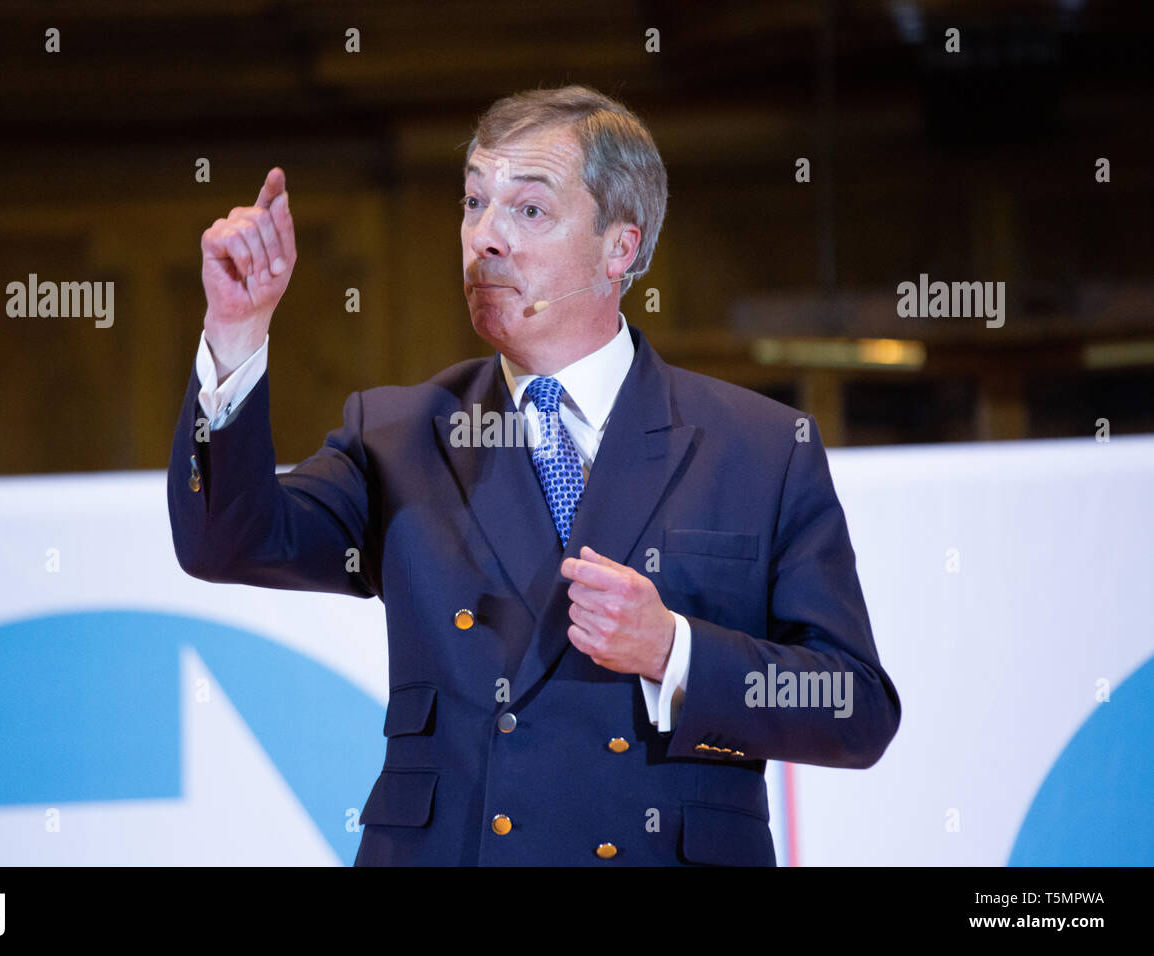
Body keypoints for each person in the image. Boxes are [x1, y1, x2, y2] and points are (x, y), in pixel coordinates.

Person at [168, 85, 901, 866]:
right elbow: (228, 541)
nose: (484, 236)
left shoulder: (758, 447)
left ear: (620, 247)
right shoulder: (398, 434)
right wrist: (236, 333)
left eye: (528, 211)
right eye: (474, 201)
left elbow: (851, 709)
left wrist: (674, 651)